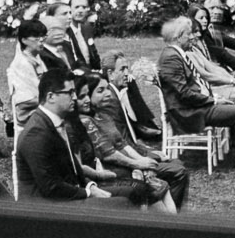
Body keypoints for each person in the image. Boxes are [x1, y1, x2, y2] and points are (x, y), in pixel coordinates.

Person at [16, 67, 146, 204]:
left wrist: (90, 186)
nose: (75, 97)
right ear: (51, 97)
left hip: (68, 193)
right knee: (121, 203)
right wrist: (89, 193)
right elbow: (50, 187)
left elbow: (72, 170)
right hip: (47, 207)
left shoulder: (56, 122)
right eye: (70, 92)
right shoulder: (36, 134)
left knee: (134, 191)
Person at [157, 15, 235, 173]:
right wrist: (214, 100)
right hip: (189, 112)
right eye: (189, 34)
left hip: (198, 104)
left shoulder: (178, 54)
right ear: (178, 37)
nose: (193, 36)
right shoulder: (170, 59)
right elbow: (185, 95)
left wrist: (214, 98)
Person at [77, 72, 190, 211]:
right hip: (113, 169)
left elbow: (122, 143)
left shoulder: (104, 115)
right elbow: (109, 154)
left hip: (127, 161)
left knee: (173, 170)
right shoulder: (87, 121)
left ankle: (173, 220)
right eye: (100, 91)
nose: (108, 94)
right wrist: (139, 164)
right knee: (174, 174)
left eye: (107, 89)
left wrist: (143, 160)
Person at [4, 17, 49, 127]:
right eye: (36, 37)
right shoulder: (22, 64)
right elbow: (28, 98)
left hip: (40, 104)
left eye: (43, 36)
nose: (41, 40)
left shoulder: (36, 57)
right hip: (28, 112)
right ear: (24, 40)